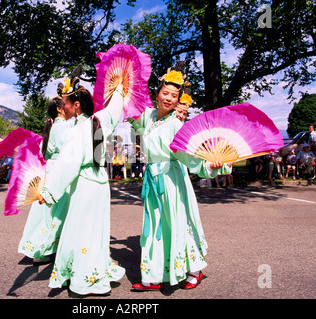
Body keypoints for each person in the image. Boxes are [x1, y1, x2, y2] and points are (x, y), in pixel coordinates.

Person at [127, 62, 232, 291]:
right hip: (153, 178)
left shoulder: (176, 124)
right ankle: (154, 275)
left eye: (174, 96)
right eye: (165, 93)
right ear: (157, 94)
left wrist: (211, 166)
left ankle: (195, 269)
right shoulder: (148, 116)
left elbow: (189, 157)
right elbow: (135, 122)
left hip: (172, 179)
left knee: (177, 223)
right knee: (155, 226)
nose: (169, 99)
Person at [37, 75, 125, 296]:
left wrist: (48, 193)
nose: (62, 107)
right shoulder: (100, 119)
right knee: (97, 230)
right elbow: (115, 108)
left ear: (76, 105)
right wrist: (119, 88)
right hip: (100, 181)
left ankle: (87, 279)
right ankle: (93, 271)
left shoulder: (77, 131)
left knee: (81, 230)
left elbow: (68, 164)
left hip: (85, 183)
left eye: (64, 103)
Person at [18, 96, 74, 263]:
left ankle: (39, 248)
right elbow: (68, 149)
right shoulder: (63, 126)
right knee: (60, 208)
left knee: (46, 209)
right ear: (59, 109)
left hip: (49, 167)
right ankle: (52, 246)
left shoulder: (52, 127)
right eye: (65, 104)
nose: (68, 106)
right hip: (59, 167)